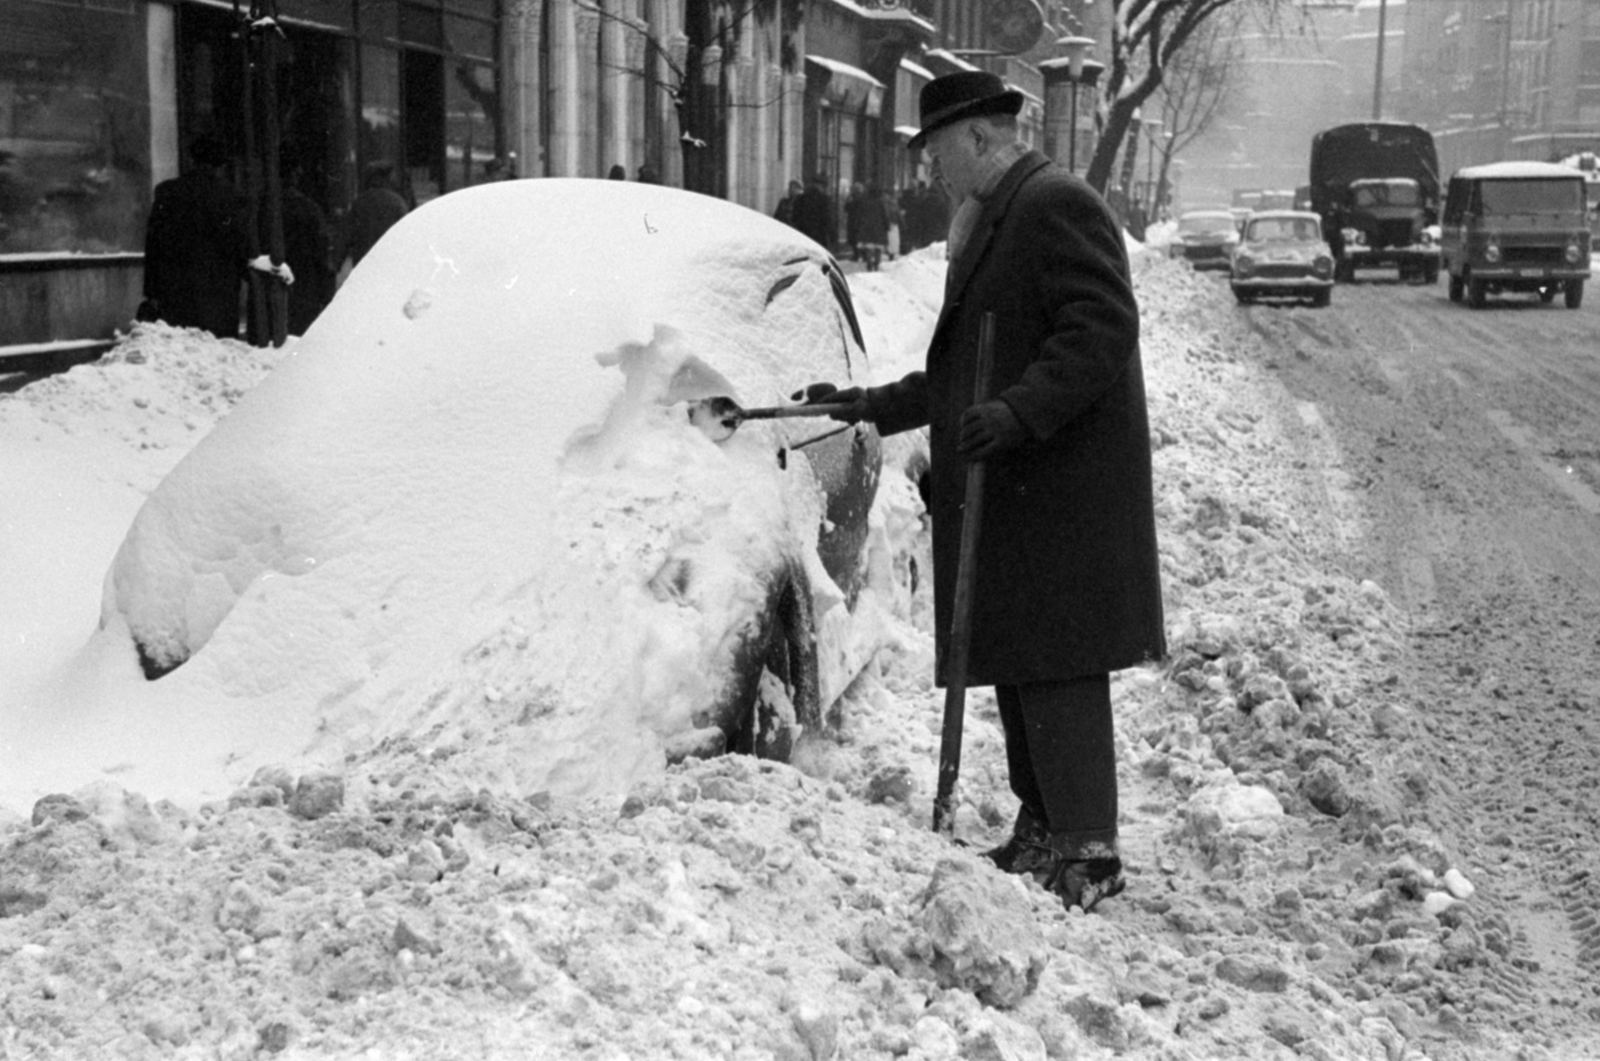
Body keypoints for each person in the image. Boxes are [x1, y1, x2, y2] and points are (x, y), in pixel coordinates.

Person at [794, 70, 1165, 913]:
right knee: (1024, 657)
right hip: (1021, 490)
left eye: (934, 154)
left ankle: (1088, 848)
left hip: (1060, 490)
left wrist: (1018, 412)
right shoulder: (999, 214)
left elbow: (1102, 324)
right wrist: (865, 408)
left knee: (1060, 660)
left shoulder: (1053, 204)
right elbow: (961, 371)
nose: (930, 173)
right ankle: (1043, 824)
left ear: (981, 138)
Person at [140, 132, 248, 339]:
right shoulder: (230, 197)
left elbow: (154, 244)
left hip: (174, 293)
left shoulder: (167, 192)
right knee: (218, 352)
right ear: (221, 164)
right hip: (219, 294)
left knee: (180, 354)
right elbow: (240, 244)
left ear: (191, 159)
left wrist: (151, 292)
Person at [343, 161, 409, 269]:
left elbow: (346, 234)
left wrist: (336, 262)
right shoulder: (398, 202)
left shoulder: (360, 203)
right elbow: (406, 234)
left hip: (364, 262)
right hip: (390, 262)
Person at [854, 182, 892, 271]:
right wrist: (887, 226)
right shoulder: (881, 202)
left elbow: (860, 215)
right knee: (878, 248)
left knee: (869, 247)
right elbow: (885, 215)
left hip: (867, 228)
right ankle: (877, 264)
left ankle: (869, 264)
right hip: (879, 228)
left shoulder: (865, 201)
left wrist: (859, 225)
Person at [792, 173, 834, 252]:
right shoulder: (824, 199)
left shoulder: (801, 198)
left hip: (803, 235)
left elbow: (795, 217)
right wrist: (831, 236)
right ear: (821, 185)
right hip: (819, 236)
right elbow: (827, 219)